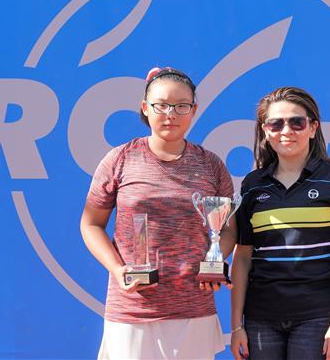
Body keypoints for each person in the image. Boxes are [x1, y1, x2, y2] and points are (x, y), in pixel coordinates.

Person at [80, 67, 236, 360]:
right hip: (132, 309)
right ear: (145, 108)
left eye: (181, 106)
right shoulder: (119, 159)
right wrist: (117, 269)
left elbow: (227, 230)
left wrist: (215, 260)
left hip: (194, 309)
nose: (171, 114)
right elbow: (91, 224)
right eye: (161, 105)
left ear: (194, 110)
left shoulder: (212, 165)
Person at [230, 87, 330, 360]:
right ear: (265, 131)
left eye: (296, 122)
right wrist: (236, 326)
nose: (286, 131)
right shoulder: (252, 185)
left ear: (313, 128)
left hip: (318, 317)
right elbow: (243, 257)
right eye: (276, 123)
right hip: (260, 318)